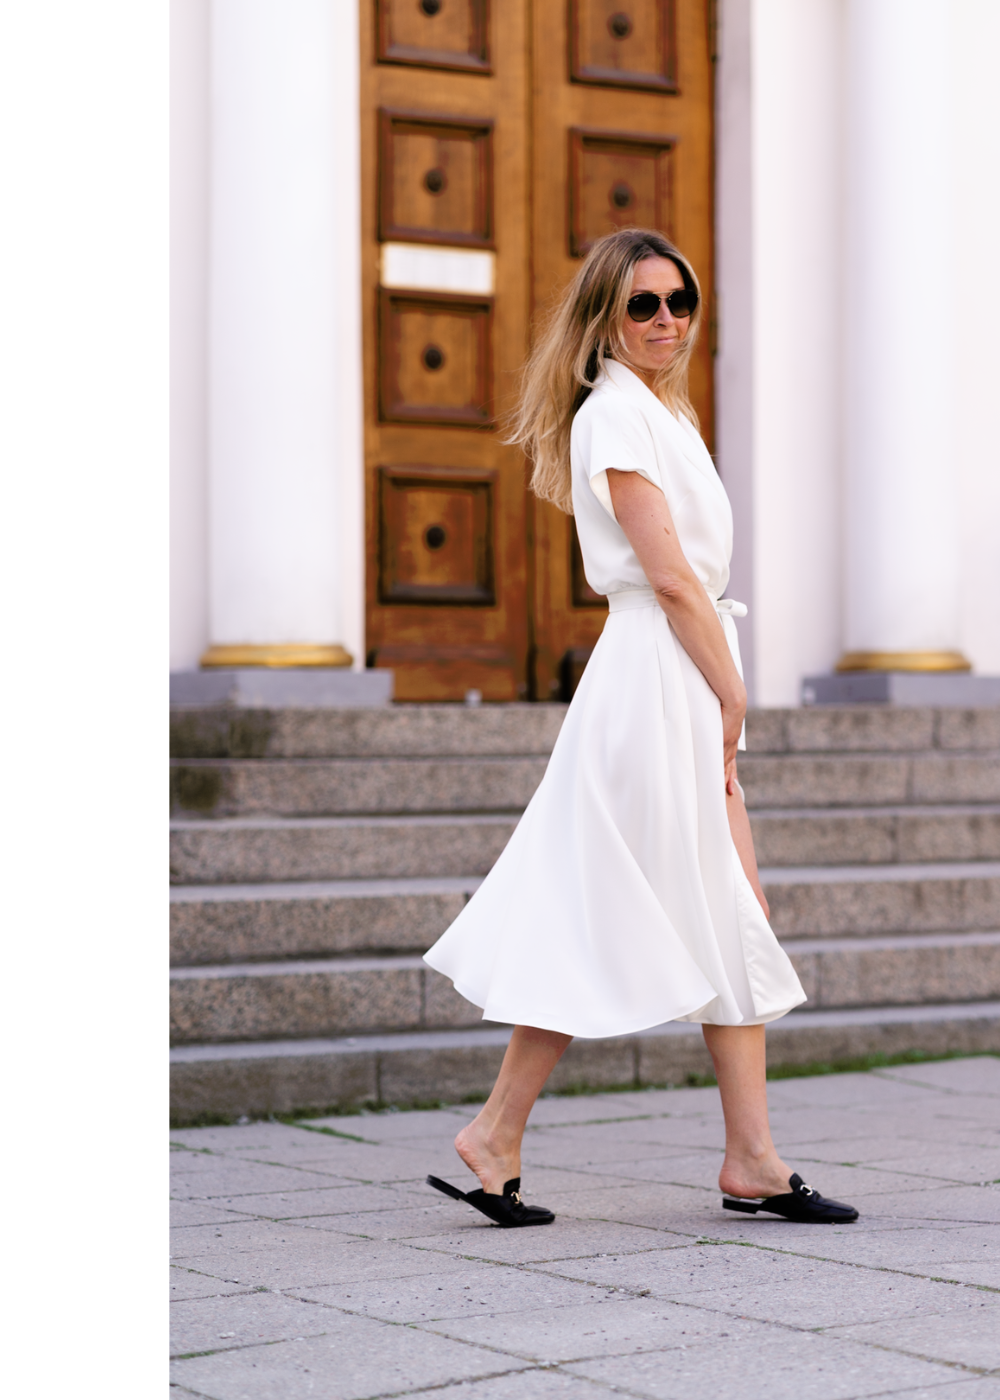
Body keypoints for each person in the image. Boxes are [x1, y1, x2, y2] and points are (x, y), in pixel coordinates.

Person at [421, 228, 857, 1229]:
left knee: (720, 909)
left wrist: (720, 687)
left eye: (680, 301)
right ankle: (505, 1131)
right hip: (658, 675)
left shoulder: (662, 413)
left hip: (676, 670)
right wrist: (732, 697)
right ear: (604, 319)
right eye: (641, 304)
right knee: (634, 907)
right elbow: (666, 575)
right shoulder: (614, 415)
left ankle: (741, 1152)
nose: (666, 319)